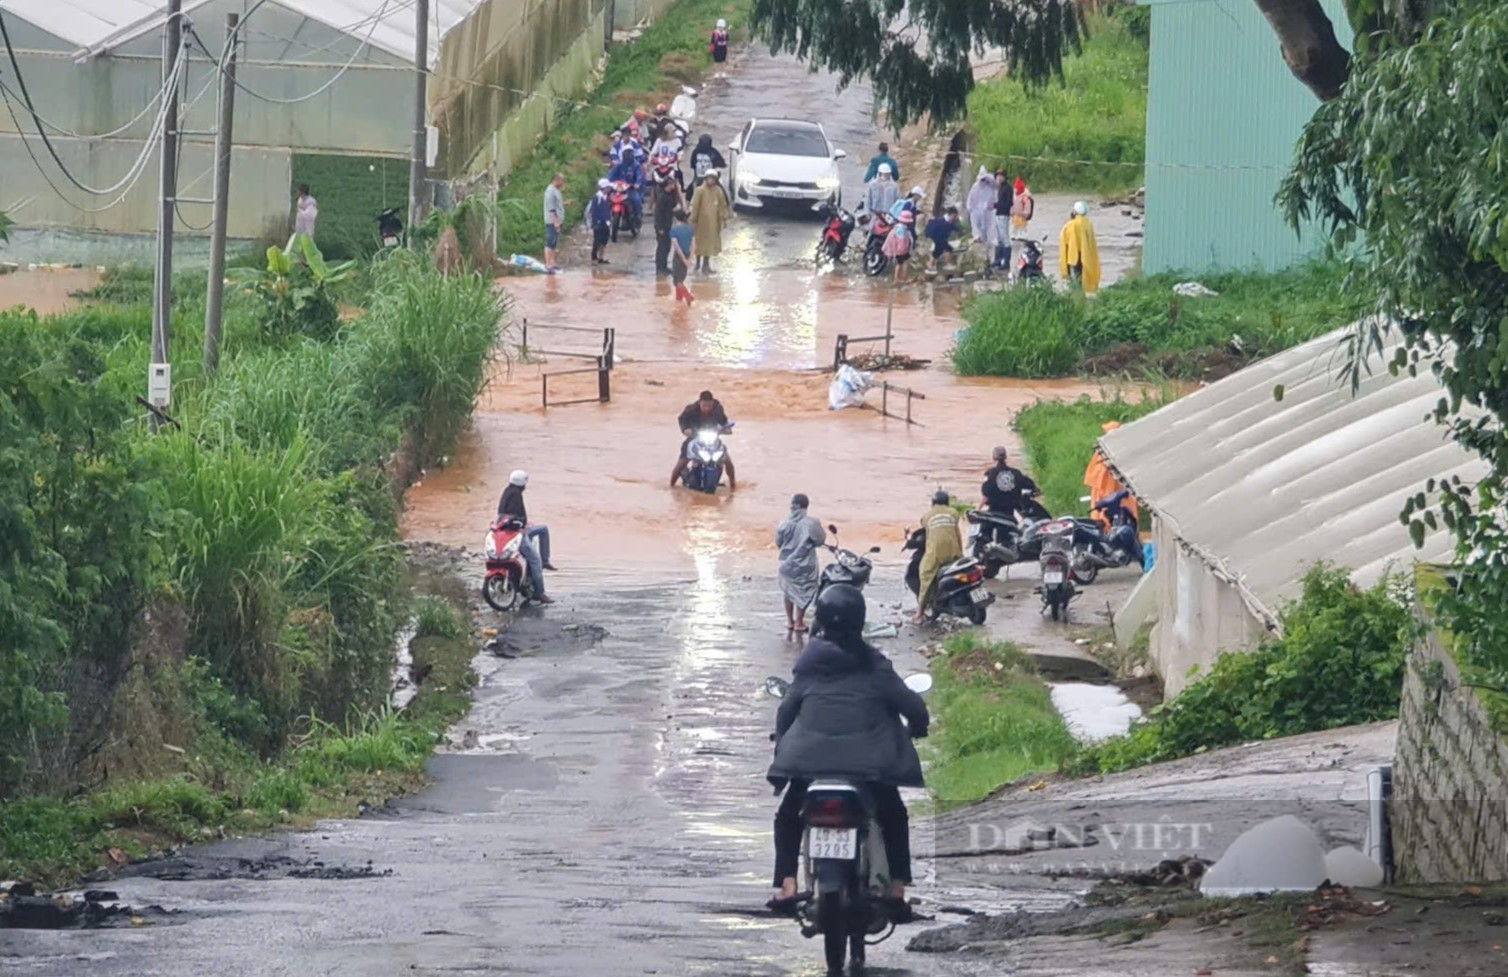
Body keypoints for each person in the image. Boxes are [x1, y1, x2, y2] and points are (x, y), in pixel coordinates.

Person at [766, 584, 928, 918]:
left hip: (808, 767)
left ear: (820, 620)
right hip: (870, 770)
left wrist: (782, 742)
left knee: (788, 817)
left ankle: (786, 884)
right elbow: (912, 706)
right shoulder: (875, 665)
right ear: (860, 620)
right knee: (893, 815)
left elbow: (786, 711)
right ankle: (897, 889)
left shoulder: (808, 666)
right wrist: (919, 728)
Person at [496, 470, 556, 605]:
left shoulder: (508, 492)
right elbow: (513, 518)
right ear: (522, 482)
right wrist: (521, 527)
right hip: (516, 532)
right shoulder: (515, 495)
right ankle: (539, 592)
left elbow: (505, 515)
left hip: (515, 528)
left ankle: (545, 560)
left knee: (543, 530)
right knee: (535, 560)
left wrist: (524, 524)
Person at [776, 495, 826, 635]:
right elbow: (820, 540)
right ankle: (799, 621)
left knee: (788, 592)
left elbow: (778, 543)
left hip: (786, 564)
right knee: (803, 591)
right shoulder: (812, 523)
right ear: (806, 506)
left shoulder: (783, 523)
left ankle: (790, 621)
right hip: (805, 564)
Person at [913, 490, 962, 624]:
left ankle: (919, 613)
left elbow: (925, 528)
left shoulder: (927, 516)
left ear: (933, 503)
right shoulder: (954, 513)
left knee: (925, 574)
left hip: (936, 553)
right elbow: (956, 532)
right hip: (954, 551)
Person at [670, 390, 736, 490]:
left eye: (709, 405)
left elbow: (724, 421)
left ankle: (733, 486)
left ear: (712, 403)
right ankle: (671, 485)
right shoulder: (691, 409)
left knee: (727, 460)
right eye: (704, 405)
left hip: (712, 439)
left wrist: (726, 429)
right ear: (699, 402)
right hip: (695, 438)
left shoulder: (718, 409)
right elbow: (682, 420)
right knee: (683, 461)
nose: (707, 408)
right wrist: (685, 430)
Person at [1083, 422, 1138, 532]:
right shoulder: (1102, 454)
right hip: (1105, 494)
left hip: (1121, 494)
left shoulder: (1122, 453)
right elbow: (1097, 479)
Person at [981, 446, 1040, 521]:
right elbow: (1030, 485)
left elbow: (986, 495)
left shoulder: (990, 474)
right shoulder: (1016, 473)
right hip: (1010, 513)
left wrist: (979, 509)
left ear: (993, 458)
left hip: (994, 512)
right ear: (1006, 457)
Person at [690, 171, 731, 273]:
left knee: (709, 244)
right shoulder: (699, 191)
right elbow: (695, 206)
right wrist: (693, 219)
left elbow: (722, 205)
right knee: (700, 243)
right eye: (709, 178)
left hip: (713, 223)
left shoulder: (718, 191)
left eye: (712, 179)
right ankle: (698, 263)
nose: (710, 181)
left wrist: (724, 217)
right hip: (701, 222)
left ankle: (706, 265)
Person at [1059, 200, 1102, 294]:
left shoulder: (1071, 225)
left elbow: (1064, 240)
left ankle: (1077, 296)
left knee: (1075, 278)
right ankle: (1084, 294)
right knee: (1084, 277)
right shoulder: (1089, 224)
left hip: (1073, 256)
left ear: (1075, 211)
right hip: (1087, 256)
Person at [653, 174, 686, 276]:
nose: (674, 186)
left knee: (667, 247)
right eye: (672, 184)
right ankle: (660, 268)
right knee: (662, 247)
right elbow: (658, 214)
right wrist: (659, 228)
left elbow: (674, 208)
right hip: (662, 226)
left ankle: (664, 267)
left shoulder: (670, 195)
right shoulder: (662, 197)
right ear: (668, 185)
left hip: (667, 225)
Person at [607, 151, 644, 241]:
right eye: (625, 153)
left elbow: (639, 176)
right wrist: (609, 183)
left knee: (636, 201)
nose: (627, 155)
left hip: (630, 189)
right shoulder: (619, 165)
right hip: (618, 189)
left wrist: (637, 184)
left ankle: (637, 219)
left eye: (629, 153)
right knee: (605, 201)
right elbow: (611, 175)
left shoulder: (636, 165)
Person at [669, 207, 696, 305]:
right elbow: (693, 245)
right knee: (681, 278)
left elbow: (677, 247)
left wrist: (684, 260)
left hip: (678, 257)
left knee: (677, 280)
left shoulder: (674, 231)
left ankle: (688, 296)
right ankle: (678, 299)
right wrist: (690, 259)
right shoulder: (690, 229)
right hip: (687, 254)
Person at [966, 166, 996, 248]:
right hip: (977, 209)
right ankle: (978, 238)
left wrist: (987, 178)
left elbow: (994, 182)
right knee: (976, 225)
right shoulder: (975, 187)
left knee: (989, 225)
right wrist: (969, 207)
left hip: (988, 209)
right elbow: (970, 197)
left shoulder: (990, 185)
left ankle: (990, 240)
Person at [924, 206, 961, 272]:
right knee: (946, 250)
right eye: (954, 216)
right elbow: (933, 232)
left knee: (938, 253)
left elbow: (956, 228)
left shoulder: (948, 222)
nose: (955, 218)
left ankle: (931, 267)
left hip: (939, 239)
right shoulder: (940, 222)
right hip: (935, 239)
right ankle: (945, 265)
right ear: (951, 214)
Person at [883, 208, 915, 283]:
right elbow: (901, 241)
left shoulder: (897, 227)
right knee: (901, 263)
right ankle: (899, 278)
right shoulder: (902, 230)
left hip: (898, 249)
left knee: (900, 263)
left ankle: (898, 278)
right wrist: (903, 251)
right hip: (901, 250)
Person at [542, 173, 566, 273]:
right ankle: (548, 263)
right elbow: (551, 209)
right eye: (562, 181)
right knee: (550, 241)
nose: (563, 183)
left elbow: (557, 205)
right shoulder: (550, 192)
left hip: (557, 220)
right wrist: (556, 222)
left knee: (554, 242)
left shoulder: (556, 191)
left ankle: (552, 262)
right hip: (552, 221)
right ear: (557, 180)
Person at [992, 169, 1013, 272]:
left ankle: (1006, 262)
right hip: (998, 214)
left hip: (1003, 215)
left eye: (1001, 176)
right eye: (997, 176)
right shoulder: (1000, 188)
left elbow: (1009, 204)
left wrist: (996, 205)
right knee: (999, 239)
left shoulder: (1008, 188)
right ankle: (998, 260)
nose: (999, 178)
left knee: (1005, 239)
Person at [588, 178, 613, 264]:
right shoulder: (597, 197)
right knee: (597, 241)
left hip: (605, 222)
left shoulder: (606, 197)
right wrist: (595, 223)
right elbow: (593, 211)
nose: (609, 189)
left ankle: (601, 257)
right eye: (608, 187)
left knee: (604, 240)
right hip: (598, 223)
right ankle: (594, 258)